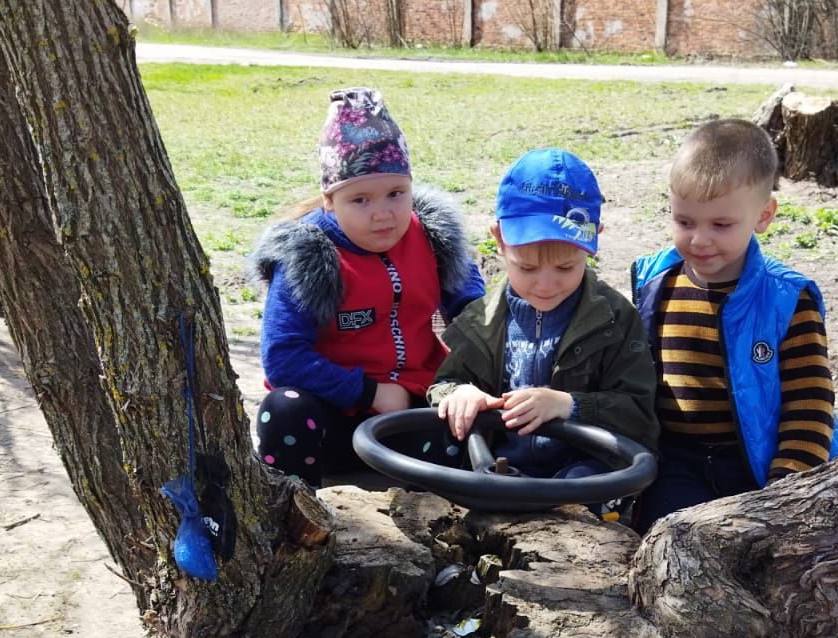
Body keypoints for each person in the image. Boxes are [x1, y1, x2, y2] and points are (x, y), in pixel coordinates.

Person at [630, 118, 838, 638]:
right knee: (661, 603)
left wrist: (782, 502)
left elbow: (811, 406)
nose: (699, 239)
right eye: (684, 219)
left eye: (721, 224)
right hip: (675, 468)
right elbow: (635, 384)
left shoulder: (788, 298)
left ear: (764, 215)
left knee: (750, 636)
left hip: (755, 477)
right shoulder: (651, 278)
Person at [248, 87, 485, 486]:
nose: (382, 214)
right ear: (330, 200)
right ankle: (294, 511)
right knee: (282, 409)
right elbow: (283, 356)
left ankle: (436, 516)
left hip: (414, 405)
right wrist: (369, 392)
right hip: (331, 412)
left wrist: (472, 383)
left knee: (465, 423)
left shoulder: (433, 238)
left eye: (396, 194)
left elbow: (476, 318)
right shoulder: (308, 254)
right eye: (360, 200)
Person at [428, 148, 657, 488]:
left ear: (592, 241)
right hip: (495, 473)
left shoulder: (616, 320)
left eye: (567, 267)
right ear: (499, 239)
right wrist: (458, 394)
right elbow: (441, 384)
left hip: (584, 472)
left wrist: (571, 405)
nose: (546, 285)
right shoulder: (479, 323)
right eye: (528, 267)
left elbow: (639, 413)